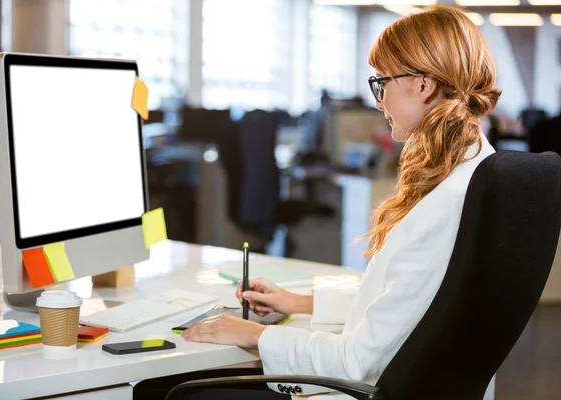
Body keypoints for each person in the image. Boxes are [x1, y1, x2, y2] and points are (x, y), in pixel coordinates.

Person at [134, 6, 500, 399]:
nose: (378, 101)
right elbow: (404, 308)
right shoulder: (473, 172)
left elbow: (355, 363)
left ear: (424, 84)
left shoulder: (447, 200)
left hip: (359, 389)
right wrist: (300, 302)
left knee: (162, 391)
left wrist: (257, 335)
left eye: (382, 83)